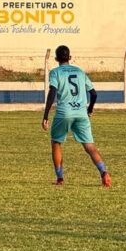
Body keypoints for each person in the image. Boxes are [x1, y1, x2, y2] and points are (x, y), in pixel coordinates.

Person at [41, 45, 111, 188]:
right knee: (90, 146)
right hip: (81, 113)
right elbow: (94, 93)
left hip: (64, 112)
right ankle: (104, 172)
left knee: (56, 143)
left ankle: (60, 178)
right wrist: (89, 109)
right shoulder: (80, 72)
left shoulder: (55, 72)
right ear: (70, 57)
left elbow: (52, 92)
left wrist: (46, 115)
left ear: (56, 59)